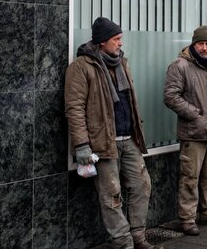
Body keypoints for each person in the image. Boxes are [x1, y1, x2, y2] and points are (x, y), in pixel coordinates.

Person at [65, 17, 160, 249]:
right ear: (102, 42)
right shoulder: (81, 67)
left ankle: (138, 236)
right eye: (116, 39)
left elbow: (130, 101)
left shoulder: (121, 63)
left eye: (120, 38)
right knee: (112, 195)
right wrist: (82, 145)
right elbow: (74, 108)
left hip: (129, 138)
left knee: (142, 185)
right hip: (103, 143)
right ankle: (122, 242)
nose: (120, 43)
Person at [163, 26, 207, 236]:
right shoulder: (180, 65)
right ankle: (187, 219)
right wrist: (195, 114)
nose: (204, 48)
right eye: (201, 43)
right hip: (193, 133)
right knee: (190, 178)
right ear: (194, 44)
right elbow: (171, 96)